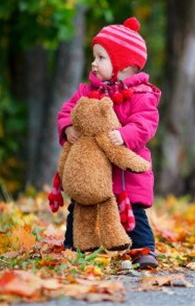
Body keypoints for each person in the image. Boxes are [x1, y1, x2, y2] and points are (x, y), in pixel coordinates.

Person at [56, 17, 161, 269]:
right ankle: (74, 247)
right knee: (79, 207)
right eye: (94, 57)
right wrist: (68, 127)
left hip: (126, 173)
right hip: (92, 171)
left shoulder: (141, 95)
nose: (94, 63)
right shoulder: (87, 92)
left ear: (124, 66)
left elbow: (146, 123)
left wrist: (125, 135)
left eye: (101, 58)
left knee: (133, 213)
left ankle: (143, 251)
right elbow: (67, 111)